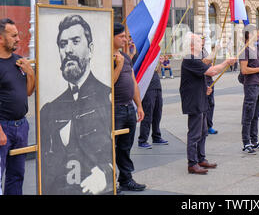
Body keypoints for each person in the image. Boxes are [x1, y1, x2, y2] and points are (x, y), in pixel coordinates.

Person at [39, 15, 113, 195]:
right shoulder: (49, 110)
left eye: (75, 41)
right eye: (63, 44)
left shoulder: (108, 97)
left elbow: (116, 149)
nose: (68, 50)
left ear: (90, 49)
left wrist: (106, 174)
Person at [180, 32, 235, 174]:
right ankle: (192, 163)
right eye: (199, 41)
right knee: (195, 133)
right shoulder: (190, 58)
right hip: (193, 100)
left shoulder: (196, 58)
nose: (202, 43)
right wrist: (226, 62)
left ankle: (200, 159)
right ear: (192, 46)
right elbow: (211, 71)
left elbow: (199, 77)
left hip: (201, 97)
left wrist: (206, 88)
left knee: (203, 131)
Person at [0, 18, 35, 195]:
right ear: (1, 38)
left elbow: (28, 92)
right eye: (13, 36)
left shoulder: (19, 61)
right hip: (3, 127)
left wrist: (30, 74)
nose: (18, 39)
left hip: (21, 126)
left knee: (17, 175)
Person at [113, 23, 146, 192]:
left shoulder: (125, 57)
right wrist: (117, 66)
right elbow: (107, 83)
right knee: (111, 147)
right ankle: (109, 181)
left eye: (126, 36)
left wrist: (139, 105)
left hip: (128, 109)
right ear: (112, 37)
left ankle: (126, 179)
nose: (126, 40)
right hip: (114, 110)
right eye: (122, 37)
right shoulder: (107, 58)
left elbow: (133, 82)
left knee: (125, 147)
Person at [239, 25, 259, 153]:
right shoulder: (244, 50)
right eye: (256, 33)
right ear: (249, 34)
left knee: (256, 115)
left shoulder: (255, 48)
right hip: (250, 85)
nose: (258, 36)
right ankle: (246, 143)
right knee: (248, 115)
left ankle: (254, 141)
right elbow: (244, 70)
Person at [134, 53, 168, 150]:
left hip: (157, 85)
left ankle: (156, 136)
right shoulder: (140, 54)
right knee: (148, 114)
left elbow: (156, 71)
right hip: (148, 88)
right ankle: (142, 140)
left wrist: (160, 63)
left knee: (158, 113)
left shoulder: (152, 53)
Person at [201, 37, 220, 134]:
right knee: (204, 104)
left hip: (209, 80)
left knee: (211, 104)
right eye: (201, 38)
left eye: (204, 38)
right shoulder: (195, 53)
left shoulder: (204, 50)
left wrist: (213, 68)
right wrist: (215, 50)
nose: (203, 40)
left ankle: (209, 125)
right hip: (203, 81)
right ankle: (203, 126)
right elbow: (205, 63)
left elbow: (209, 63)